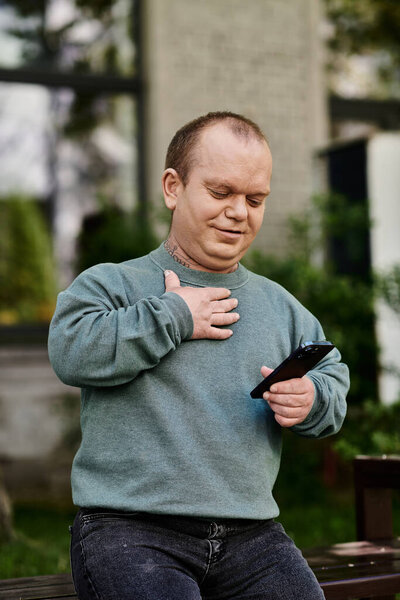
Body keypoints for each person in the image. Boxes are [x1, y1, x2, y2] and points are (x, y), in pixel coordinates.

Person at [48, 111, 349, 600]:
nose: (239, 211)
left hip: (253, 537)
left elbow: (332, 376)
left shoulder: (281, 307)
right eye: (220, 192)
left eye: (255, 199)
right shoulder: (113, 284)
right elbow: (71, 351)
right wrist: (173, 316)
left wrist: (312, 399)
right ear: (173, 187)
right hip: (131, 531)